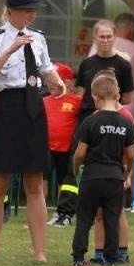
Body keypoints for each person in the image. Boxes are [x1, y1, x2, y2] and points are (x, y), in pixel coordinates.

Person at [0, 0, 66, 264]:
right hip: (6, 108)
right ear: (11, 11)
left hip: (33, 107)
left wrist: (56, 83)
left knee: (35, 182)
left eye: (34, 11)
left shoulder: (38, 37)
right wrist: (9, 50)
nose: (32, 16)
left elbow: (45, 67)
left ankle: (39, 252)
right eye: (27, 11)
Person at [70, 73, 134, 266]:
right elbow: (131, 155)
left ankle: (79, 258)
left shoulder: (91, 122)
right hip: (115, 178)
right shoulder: (125, 123)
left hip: (92, 177)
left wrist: (76, 171)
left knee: (84, 219)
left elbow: (80, 153)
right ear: (117, 95)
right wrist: (127, 173)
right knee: (112, 219)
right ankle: (111, 258)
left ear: (95, 97)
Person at [45, 63, 81, 226]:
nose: (49, 83)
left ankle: (61, 213)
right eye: (48, 80)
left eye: (53, 79)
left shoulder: (76, 101)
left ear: (66, 82)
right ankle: (40, 213)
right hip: (45, 149)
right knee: (40, 180)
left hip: (67, 151)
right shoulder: (43, 101)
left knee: (65, 182)